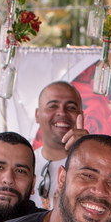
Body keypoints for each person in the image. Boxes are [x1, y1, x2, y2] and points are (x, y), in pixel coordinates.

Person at [32, 81, 89, 209]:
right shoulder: (24, 164)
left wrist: (87, 153)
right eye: (53, 106)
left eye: (71, 107)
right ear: (37, 115)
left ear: (82, 116)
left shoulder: (94, 165)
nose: (62, 113)